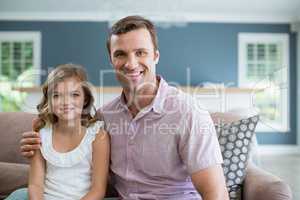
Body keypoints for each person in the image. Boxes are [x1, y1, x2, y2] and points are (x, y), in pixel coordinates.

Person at [15, 16, 228, 200]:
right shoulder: (104, 117)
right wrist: (38, 132)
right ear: (111, 60)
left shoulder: (188, 112)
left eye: (141, 52)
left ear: (155, 56)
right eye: (120, 54)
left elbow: (216, 193)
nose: (131, 63)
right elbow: (71, 140)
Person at [25, 64, 109, 200]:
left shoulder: (98, 136)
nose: (66, 102)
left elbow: (98, 190)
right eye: (57, 95)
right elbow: (35, 185)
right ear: (49, 100)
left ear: (85, 99)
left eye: (74, 94)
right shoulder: (42, 133)